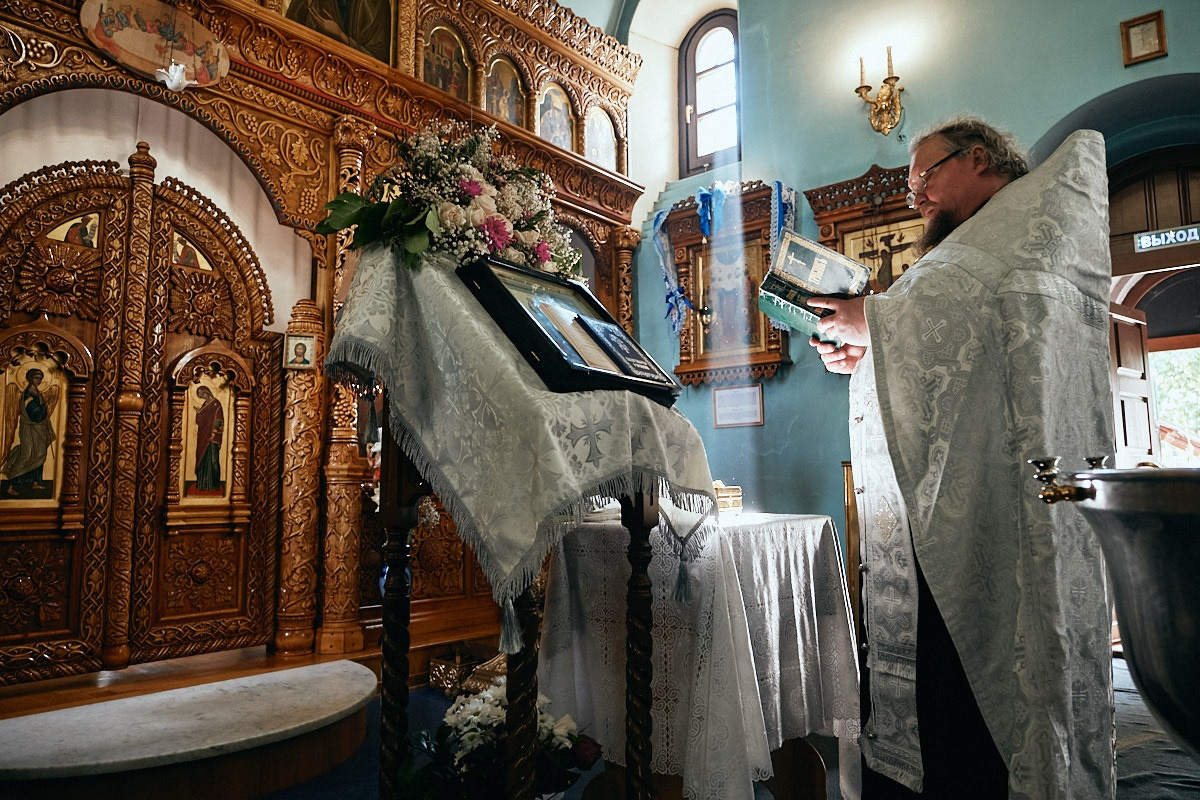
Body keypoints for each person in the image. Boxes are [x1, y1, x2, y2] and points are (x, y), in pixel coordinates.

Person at [808, 117, 1116, 799]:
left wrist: (872, 322)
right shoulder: (981, 240)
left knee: (978, 708)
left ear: (978, 157)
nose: (916, 195)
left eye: (926, 177)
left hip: (1000, 505)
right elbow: (959, 357)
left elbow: (961, 311)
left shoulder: (1012, 227)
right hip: (968, 497)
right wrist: (868, 348)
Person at [2, 368, 57, 496]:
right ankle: (11, 484)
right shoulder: (27, 394)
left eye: (40, 378)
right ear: (30, 378)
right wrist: (45, 405)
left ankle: (35, 482)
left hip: (38, 429)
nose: (39, 381)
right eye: (36, 378)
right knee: (26, 455)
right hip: (29, 428)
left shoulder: (38, 393)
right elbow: (34, 414)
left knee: (40, 453)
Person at [192, 386, 223, 493]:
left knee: (213, 460)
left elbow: (219, 420)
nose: (203, 398)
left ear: (207, 392)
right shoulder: (205, 405)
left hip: (213, 438)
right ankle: (203, 484)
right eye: (201, 396)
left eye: (203, 395)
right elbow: (200, 422)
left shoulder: (216, 404)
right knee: (203, 459)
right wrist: (198, 413)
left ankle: (214, 485)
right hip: (203, 436)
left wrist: (213, 434)